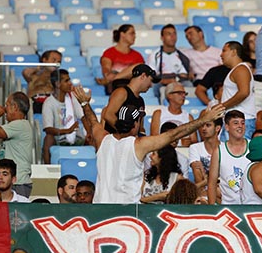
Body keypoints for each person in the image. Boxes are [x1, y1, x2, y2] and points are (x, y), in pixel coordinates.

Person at [72, 85, 225, 203]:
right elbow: (174, 134)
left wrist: (85, 103)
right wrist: (204, 120)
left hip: (102, 208)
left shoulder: (102, 139)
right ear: (136, 124)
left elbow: (93, 121)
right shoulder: (139, 144)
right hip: (129, 212)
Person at [0, 91, 33, 197]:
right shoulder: (18, 125)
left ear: (15, 107)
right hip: (12, 181)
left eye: (7, 105)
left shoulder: (20, 124)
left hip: (17, 183)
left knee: (15, 213)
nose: (4, 110)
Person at [207, 110, 250, 204]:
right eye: (235, 123)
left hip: (252, 207)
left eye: (242, 123)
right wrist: (211, 209)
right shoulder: (219, 151)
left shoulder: (253, 146)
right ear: (227, 127)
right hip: (229, 208)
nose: (240, 126)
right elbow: (212, 183)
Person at [42, 69, 85, 164]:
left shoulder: (72, 97)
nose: (70, 83)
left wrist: (90, 132)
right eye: (66, 81)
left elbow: (83, 117)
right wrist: (67, 131)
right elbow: (48, 129)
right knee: (48, 138)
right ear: (57, 84)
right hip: (58, 139)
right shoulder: (49, 102)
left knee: (93, 135)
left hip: (76, 137)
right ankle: (48, 169)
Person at [103, 64, 160, 134]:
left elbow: (140, 126)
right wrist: (126, 133)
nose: (151, 85)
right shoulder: (122, 92)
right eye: (151, 80)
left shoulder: (141, 101)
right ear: (143, 76)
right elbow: (108, 115)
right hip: (116, 140)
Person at [146, 24, 193, 103]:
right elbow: (151, 76)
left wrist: (175, 80)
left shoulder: (182, 56)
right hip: (161, 82)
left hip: (178, 82)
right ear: (162, 37)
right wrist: (165, 81)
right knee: (155, 86)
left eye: (174, 33)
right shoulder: (155, 55)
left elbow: (184, 75)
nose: (172, 36)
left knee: (189, 85)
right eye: (169, 34)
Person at [220, 41, 256, 138]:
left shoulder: (241, 69)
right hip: (235, 120)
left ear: (233, 52)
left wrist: (222, 106)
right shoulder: (238, 69)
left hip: (240, 121)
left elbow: (244, 92)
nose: (221, 54)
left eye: (224, 51)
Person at [96, 24, 145, 94]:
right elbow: (106, 71)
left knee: (138, 66)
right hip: (115, 85)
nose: (135, 36)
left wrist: (115, 77)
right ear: (122, 34)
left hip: (131, 85)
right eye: (132, 33)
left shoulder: (137, 55)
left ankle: (115, 77)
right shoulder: (109, 52)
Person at [150, 82, 196, 146]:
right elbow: (154, 138)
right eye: (180, 93)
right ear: (169, 95)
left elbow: (194, 141)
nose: (183, 96)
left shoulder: (188, 117)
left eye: (184, 93)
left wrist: (189, 143)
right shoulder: (159, 114)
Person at [189, 116, 222, 199]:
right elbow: (198, 178)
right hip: (203, 193)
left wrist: (206, 177)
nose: (203, 128)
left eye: (208, 125)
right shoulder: (195, 148)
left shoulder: (225, 148)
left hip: (222, 193)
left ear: (217, 128)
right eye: (202, 125)